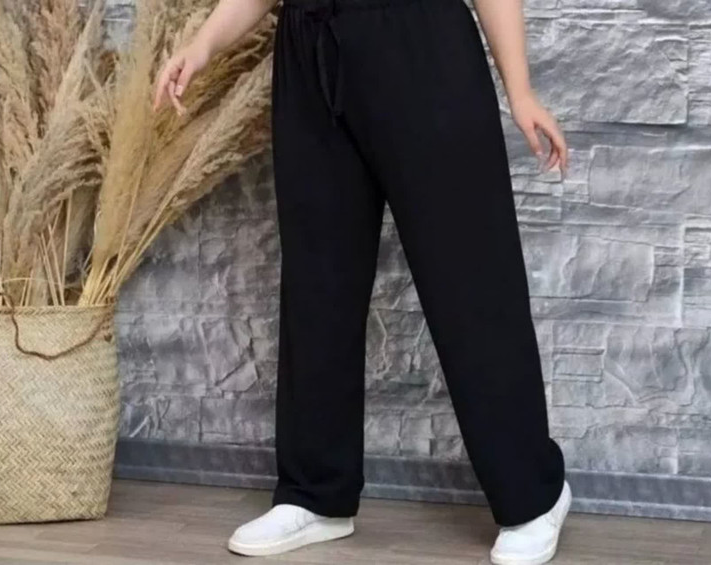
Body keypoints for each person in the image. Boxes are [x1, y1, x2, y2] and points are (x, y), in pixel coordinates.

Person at [154, 0, 571, 563]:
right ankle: (316, 493)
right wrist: (202, 44)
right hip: (308, 51)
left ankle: (533, 496)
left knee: (470, 280)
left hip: (418, 39)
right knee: (318, 283)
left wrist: (519, 89)